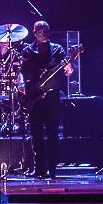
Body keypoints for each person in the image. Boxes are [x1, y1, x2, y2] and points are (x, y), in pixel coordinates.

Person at [20, 20, 73, 179]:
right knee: (36, 135)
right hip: (34, 97)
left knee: (52, 134)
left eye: (46, 30)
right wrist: (23, 86)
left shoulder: (57, 49)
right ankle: (39, 169)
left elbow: (68, 70)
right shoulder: (28, 51)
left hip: (52, 97)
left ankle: (52, 168)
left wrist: (68, 68)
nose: (43, 33)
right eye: (40, 30)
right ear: (34, 32)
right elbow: (22, 72)